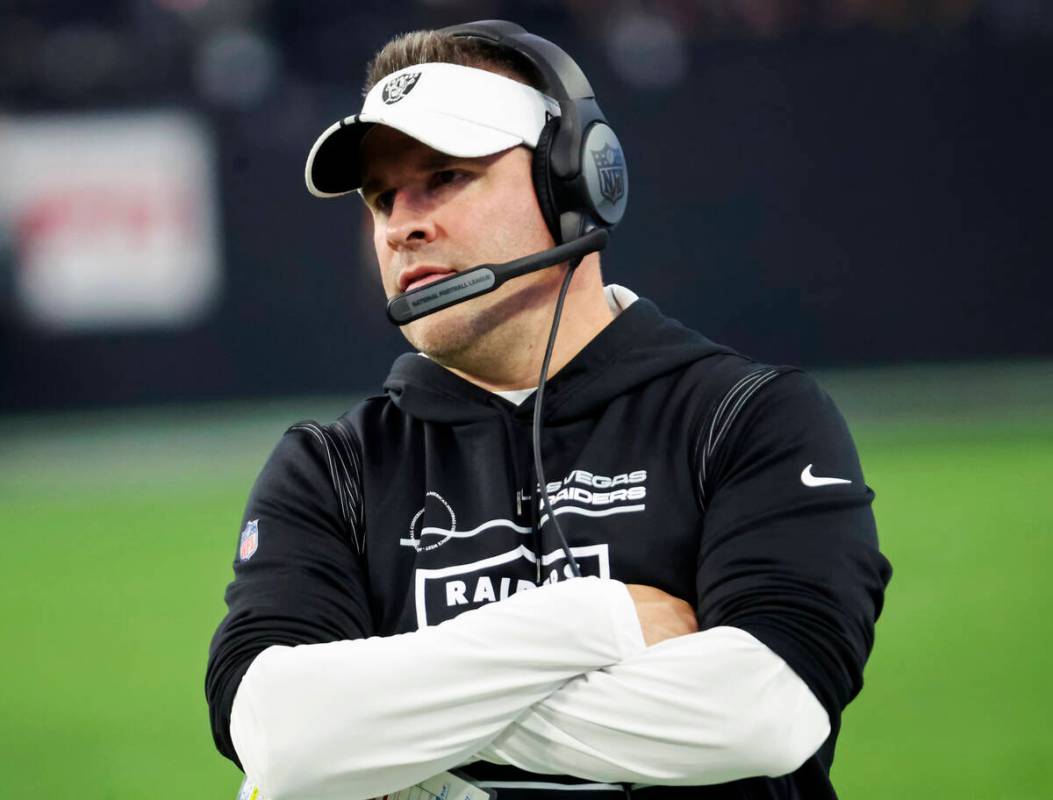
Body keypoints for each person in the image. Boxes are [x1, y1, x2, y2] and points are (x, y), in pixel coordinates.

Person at [206, 20, 892, 800]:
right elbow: (280, 738)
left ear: (575, 181)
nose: (403, 225)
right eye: (382, 198)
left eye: (446, 176)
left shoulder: (748, 418)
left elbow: (761, 715)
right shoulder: (331, 470)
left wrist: (389, 724)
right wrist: (591, 622)